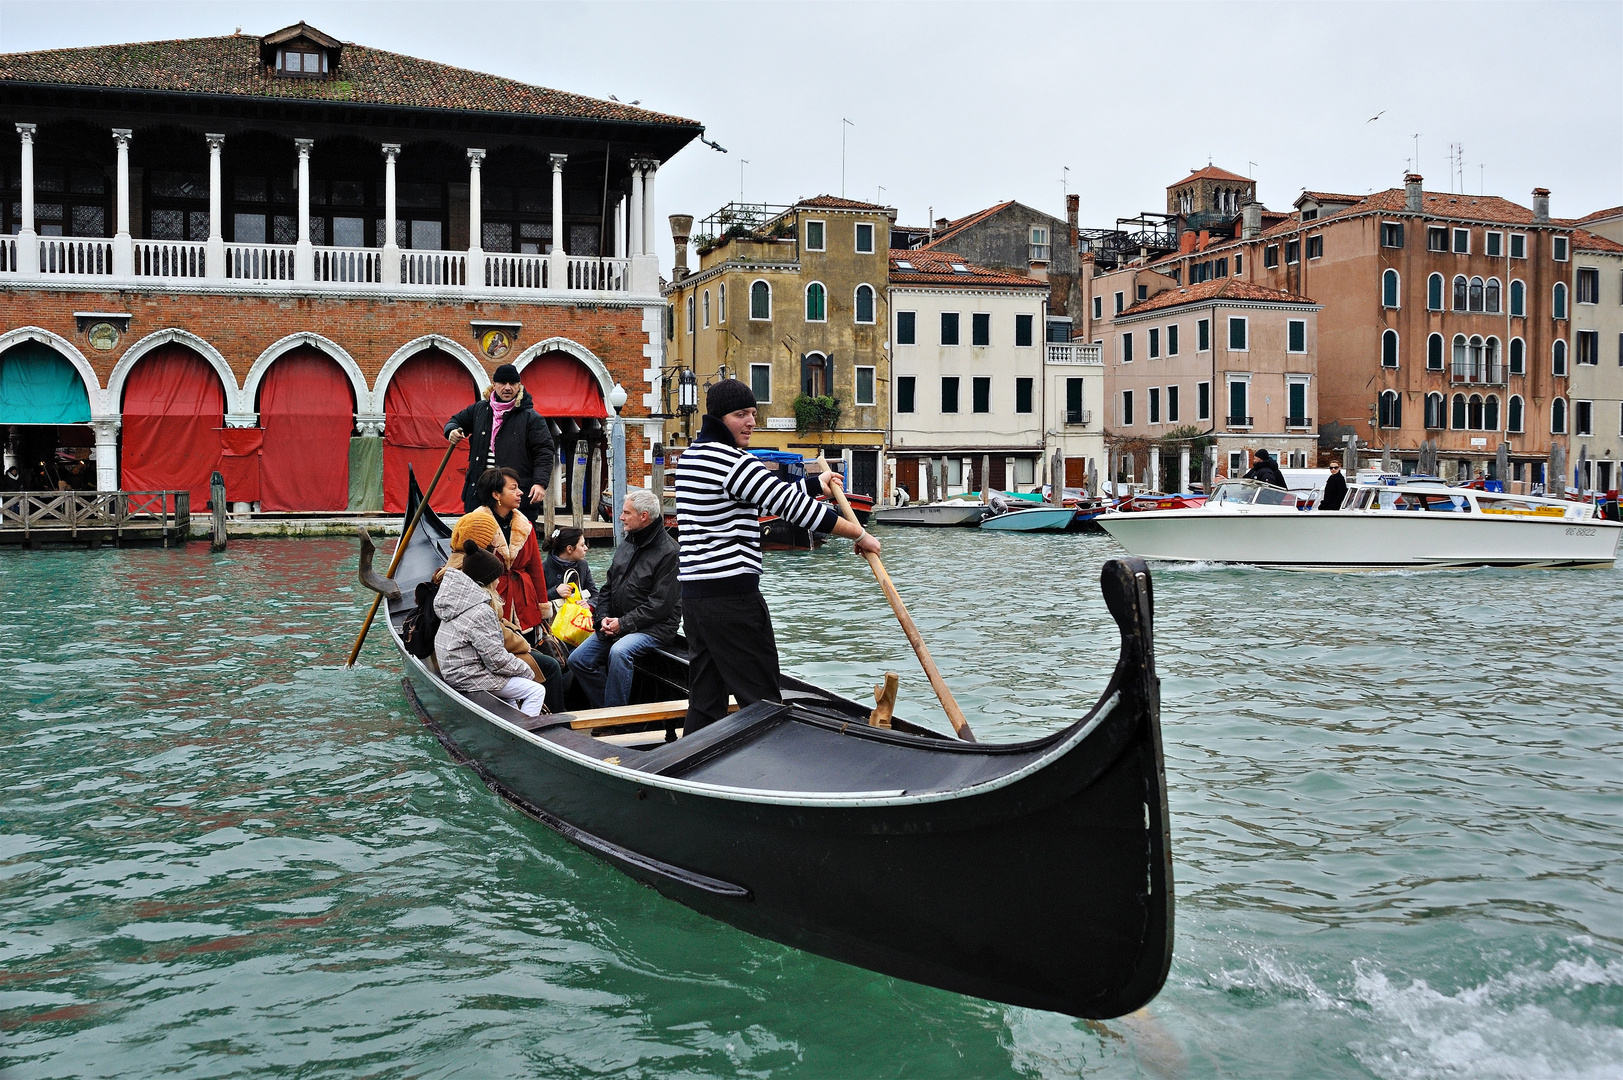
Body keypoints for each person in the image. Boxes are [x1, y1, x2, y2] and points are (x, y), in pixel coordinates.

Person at [674, 378, 880, 734]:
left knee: (706, 701)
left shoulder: (695, 456)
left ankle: (689, 771)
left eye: (753, 413)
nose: (751, 421)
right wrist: (860, 534)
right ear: (720, 418)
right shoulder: (733, 461)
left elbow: (766, 493)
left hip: (696, 600)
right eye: (741, 414)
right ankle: (773, 777)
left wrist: (818, 483)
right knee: (762, 698)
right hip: (732, 600)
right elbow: (797, 509)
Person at [569, 489, 680, 709]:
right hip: (618, 622)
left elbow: (660, 605)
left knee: (620, 652)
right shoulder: (628, 544)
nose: (621, 517)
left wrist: (623, 624)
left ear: (644, 516)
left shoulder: (670, 552)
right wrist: (602, 619)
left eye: (626, 513)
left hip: (655, 627)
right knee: (578, 660)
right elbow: (608, 587)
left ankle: (614, 719)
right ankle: (609, 709)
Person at [434, 541, 547, 717]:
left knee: (511, 694)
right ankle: (525, 734)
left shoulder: (456, 598)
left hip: (454, 669)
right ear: (488, 580)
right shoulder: (481, 611)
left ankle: (514, 723)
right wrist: (526, 671)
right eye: (497, 577)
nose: (498, 581)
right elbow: (496, 660)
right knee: (536, 690)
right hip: (467, 675)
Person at [444, 363, 554, 519]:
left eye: (512, 383)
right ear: (494, 385)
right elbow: (455, 421)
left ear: (519, 386)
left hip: (515, 497)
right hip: (480, 493)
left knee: (516, 540)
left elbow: (544, 452)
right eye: (503, 383)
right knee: (479, 538)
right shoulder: (479, 410)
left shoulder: (532, 418)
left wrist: (540, 483)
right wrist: (452, 431)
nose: (507, 387)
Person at [542, 525, 598, 606]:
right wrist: (555, 592)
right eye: (582, 545)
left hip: (579, 616)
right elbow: (535, 600)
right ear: (569, 549)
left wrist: (589, 605)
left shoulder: (583, 565)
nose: (586, 548)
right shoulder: (543, 569)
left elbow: (595, 594)